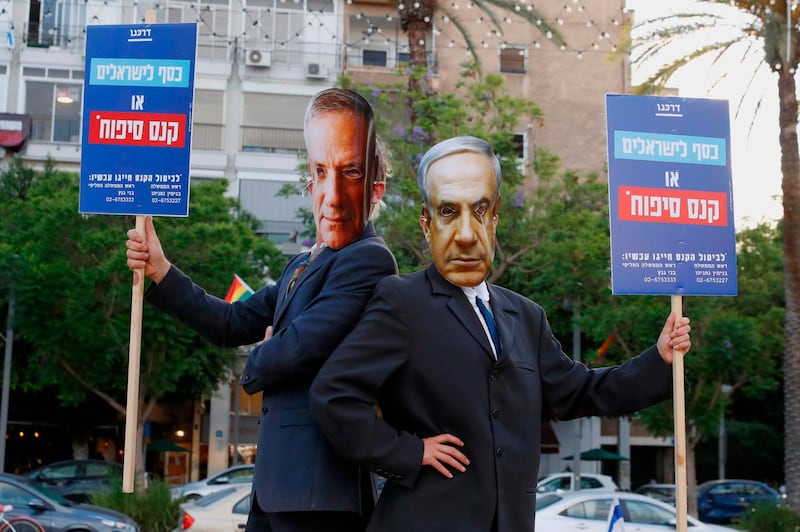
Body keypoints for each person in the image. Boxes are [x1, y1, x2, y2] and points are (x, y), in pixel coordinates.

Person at [309, 136, 692, 532]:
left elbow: (580, 391)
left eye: (479, 211)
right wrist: (407, 451)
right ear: (426, 224)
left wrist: (659, 358)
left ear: (495, 218)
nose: (465, 235)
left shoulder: (526, 316)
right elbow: (334, 396)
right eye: (447, 212)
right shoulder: (401, 300)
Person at [125, 88, 398, 531]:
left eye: (349, 176)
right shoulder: (301, 264)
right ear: (311, 185)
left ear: (373, 192)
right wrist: (161, 270)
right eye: (321, 175)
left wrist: (259, 361)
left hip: (320, 494)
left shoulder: (369, 258)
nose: (330, 195)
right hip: (276, 491)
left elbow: (300, 349)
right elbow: (231, 322)